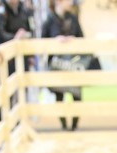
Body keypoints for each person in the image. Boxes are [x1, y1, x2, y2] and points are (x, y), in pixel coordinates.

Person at [41, 0, 81, 130]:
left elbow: (81, 37)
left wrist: (73, 41)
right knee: (59, 95)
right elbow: (42, 41)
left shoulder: (73, 19)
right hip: (56, 66)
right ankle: (64, 125)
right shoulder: (49, 20)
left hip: (73, 64)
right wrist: (55, 41)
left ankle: (74, 125)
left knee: (77, 96)